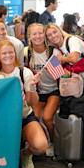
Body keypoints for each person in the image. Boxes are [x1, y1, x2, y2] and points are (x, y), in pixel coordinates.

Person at [45, 23, 84, 161]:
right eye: (49, 35)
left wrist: (61, 59)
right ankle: (83, 147)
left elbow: (73, 58)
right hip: (80, 85)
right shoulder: (56, 50)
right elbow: (58, 71)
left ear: (60, 31)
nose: (53, 36)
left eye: (54, 32)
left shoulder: (72, 41)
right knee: (81, 114)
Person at [0, 40, 47, 168]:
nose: (8, 55)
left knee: (41, 146)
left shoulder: (24, 72)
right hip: (4, 121)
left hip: (24, 116)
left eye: (11, 52)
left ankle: (26, 153)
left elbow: (32, 102)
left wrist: (31, 86)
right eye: (4, 53)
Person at [25, 23, 59, 157]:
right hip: (38, 92)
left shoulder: (52, 52)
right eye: (34, 34)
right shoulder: (27, 52)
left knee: (47, 117)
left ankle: (53, 142)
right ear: (29, 36)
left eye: (40, 33)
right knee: (35, 118)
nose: (38, 36)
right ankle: (40, 141)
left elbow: (59, 73)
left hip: (53, 90)